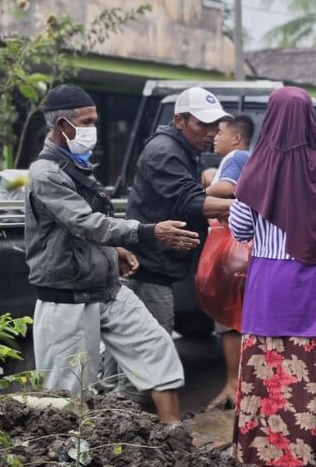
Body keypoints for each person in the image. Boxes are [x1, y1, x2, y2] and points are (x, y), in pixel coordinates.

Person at [25, 84, 201, 422]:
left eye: (95, 121)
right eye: (87, 121)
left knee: (158, 350)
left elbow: (90, 228)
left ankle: (175, 439)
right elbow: (85, 222)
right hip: (68, 297)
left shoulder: (78, 166)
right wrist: (149, 232)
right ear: (63, 125)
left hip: (105, 289)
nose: (94, 129)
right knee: (69, 394)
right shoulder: (45, 173)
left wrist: (113, 249)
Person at [228, 87, 316, 467]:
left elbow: (240, 228)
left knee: (267, 369)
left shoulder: (254, 171)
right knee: (310, 369)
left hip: (268, 282)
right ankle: (309, 466)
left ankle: (268, 460)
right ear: (310, 121)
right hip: (312, 280)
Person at [117, 87, 235, 403]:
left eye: (215, 126)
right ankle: (125, 421)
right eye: (203, 125)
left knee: (140, 352)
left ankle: (123, 417)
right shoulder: (165, 151)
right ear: (179, 120)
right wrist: (247, 208)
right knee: (150, 355)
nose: (211, 133)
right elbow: (189, 201)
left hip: (158, 268)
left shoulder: (181, 149)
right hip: (149, 271)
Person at [203, 115, 255, 410]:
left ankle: (232, 386)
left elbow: (227, 189)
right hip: (243, 250)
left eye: (220, 132)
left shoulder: (236, 156)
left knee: (228, 316)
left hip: (232, 250)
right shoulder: (246, 157)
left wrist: (201, 190)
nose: (214, 136)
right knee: (237, 317)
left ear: (236, 138)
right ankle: (239, 384)